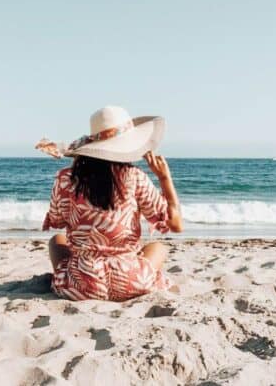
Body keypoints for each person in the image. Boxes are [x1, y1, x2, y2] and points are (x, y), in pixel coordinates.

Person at [36, 105, 183, 301]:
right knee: (158, 247)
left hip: (82, 286)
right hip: (132, 281)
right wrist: (165, 178)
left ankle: (69, 278)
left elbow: (57, 219)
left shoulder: (65, 179)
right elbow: (176, 224)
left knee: (57, 241)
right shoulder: (135, 177)